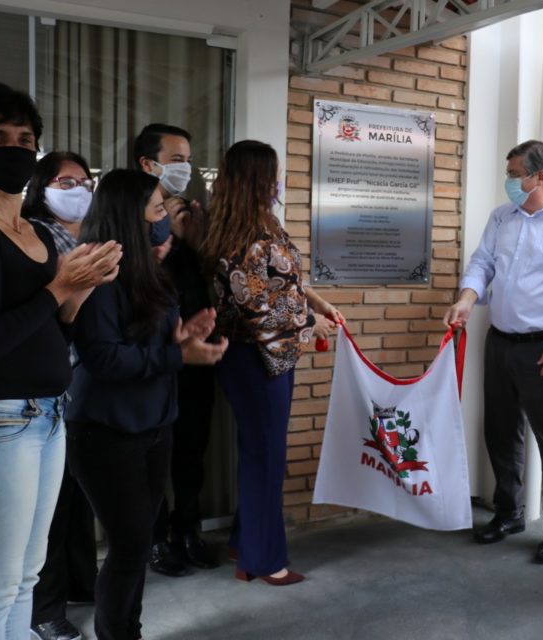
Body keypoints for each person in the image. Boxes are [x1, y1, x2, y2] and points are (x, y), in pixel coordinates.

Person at [0, 82, 121, 639]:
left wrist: (80, 290)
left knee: (25, 578)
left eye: (24, 138)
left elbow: (49, 327)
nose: (11, 148)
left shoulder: (35, 230)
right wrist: (60, 288)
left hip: (49, 414)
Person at [66, 169, 227, 640]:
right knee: (131, 544)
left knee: (136, 544)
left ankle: (127, 629)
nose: (164, 218)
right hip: (105, 431)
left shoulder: (152, 270)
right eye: (157, 209)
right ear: (127, 217)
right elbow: (102, 358)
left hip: (155, 423)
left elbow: (148, 342)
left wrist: (180, 336)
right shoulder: (96, 272)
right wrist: (176, 353)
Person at [443, 139, 543, 563]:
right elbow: (482, 264)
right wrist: (465, 299)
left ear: (540, 177)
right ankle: (508, 512)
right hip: (500, 342)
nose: (509, 181)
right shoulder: (502, 218)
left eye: (515, 174)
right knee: (500, 431)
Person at [202, 140, 342, 585]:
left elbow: (288, 281)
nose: (279, 182)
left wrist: (318, 302)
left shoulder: (263, 223)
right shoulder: (242, 236)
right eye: (274, 174)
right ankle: (263, 562)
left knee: (260, 452)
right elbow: (255, 305)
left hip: (272, 355)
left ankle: (246, 542)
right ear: (259, 179)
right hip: (253, 356)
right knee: (265, 455)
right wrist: (310, 326)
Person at [133, 123, 219, 576]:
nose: (185, 167)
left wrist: (195, 242)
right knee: (153, 458)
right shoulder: (134, 218)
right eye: (176, 159)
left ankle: (189, 529)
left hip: (195, 352)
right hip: (152, 358)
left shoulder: (190, 215)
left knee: (192, 449)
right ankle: (154, 540)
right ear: (148, 164)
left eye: (188, 158)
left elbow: (205, 281)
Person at [22, 151, 99, 640]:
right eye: (64, 181)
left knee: (75, 496)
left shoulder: (88, 235)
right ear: (42, 186)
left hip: (84, 386)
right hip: (44, 386)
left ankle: (80, 581)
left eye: (84, 181)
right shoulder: (32, 235)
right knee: (47, 510)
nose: (76, 189)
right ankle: (44, 610)